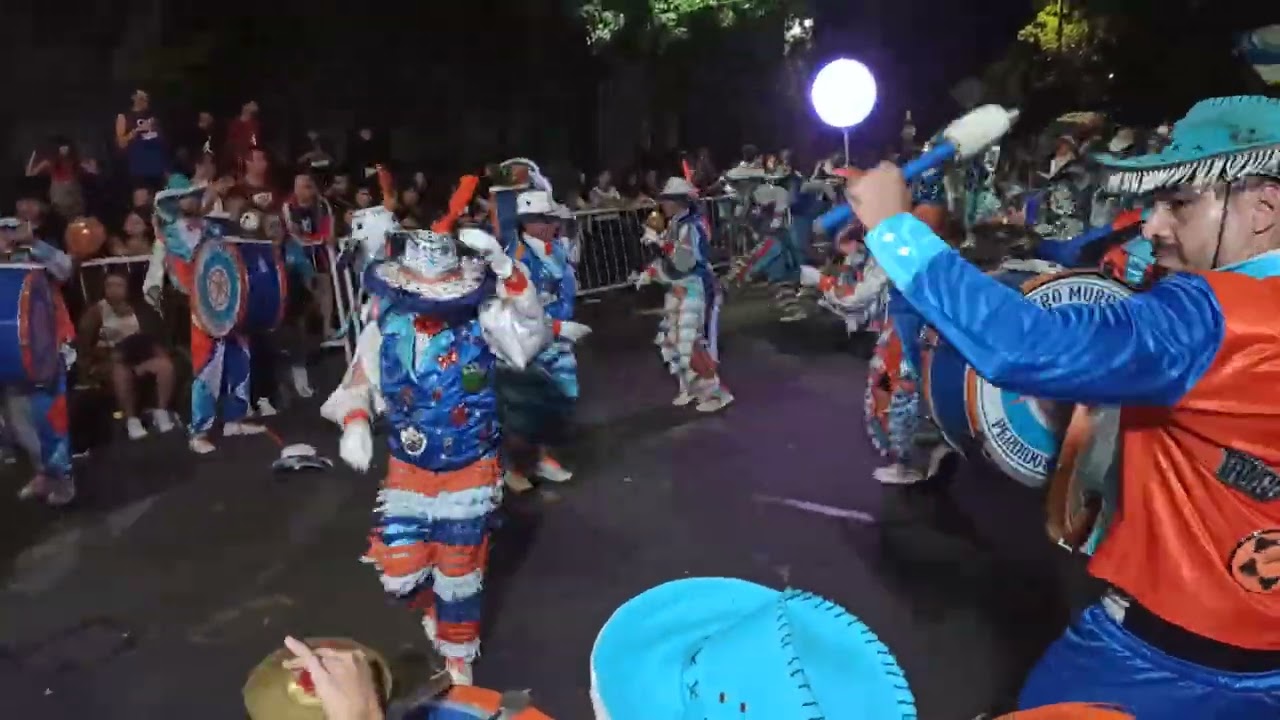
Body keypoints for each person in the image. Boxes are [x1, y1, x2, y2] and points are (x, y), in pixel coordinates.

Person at [847, 95, 1280, 718]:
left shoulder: (1209, 318)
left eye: (1179, 204)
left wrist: (894, 229)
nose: (1154, 226)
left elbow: (1023, 343)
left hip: (1155, 663)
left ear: (1262, 208)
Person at [321, 220, 588, 685]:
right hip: (408, 469)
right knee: (399, 573)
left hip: (470, 467)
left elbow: (529, 330)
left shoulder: (482, 321)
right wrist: (356, 422)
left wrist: (505, 268)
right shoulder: (384, 327)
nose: (430, 302)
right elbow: (356, 385)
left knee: (459, 570)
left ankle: (458, 655)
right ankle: (434, 611)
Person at [148, 175, 263, 454]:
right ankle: (198, 431)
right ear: (176, 202)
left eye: (196, 195)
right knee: (207, 368)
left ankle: (235, 419)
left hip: (226, 300)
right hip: (200, 305)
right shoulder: (173, 232)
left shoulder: (211, 227)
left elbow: (227, 255)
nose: (194, 200)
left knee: (240, 356)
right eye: (187, 197)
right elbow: (194, 255)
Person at [497, 189, 579, 491]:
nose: (549, 225)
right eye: (542, 219)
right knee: (527, 405)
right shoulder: (516, 257)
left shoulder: (556, 249)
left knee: (559, 398)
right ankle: (518, 468)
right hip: (531, 339)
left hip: (559, 336)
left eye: (550, 219)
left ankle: (541, 458)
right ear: (526, 223)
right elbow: (516, 304)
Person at [632, 177, 733, 413]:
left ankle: (716, 393)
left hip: (695, 286)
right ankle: (691, 387)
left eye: (667, 199)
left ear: (679, 202)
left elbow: (685, 261)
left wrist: (658, 243)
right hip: (678, 286)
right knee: (671, 339)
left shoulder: (692, 225)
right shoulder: (677, 223)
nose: (663, 204)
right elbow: (671, 260)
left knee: (693, 342)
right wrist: (651, 269)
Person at [0, 217, 75, 505]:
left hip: (47, 347)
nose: (8, 236)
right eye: (3, 231)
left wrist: (32, 242)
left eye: (13, 230)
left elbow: (66, 268)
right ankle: (43, 473)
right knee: (19, 421)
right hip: (10, 353)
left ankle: (64, 480)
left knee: (50, 418)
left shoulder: (37, 256)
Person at [77, 272, 176, 439]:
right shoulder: (96, 312)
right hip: (112, 361)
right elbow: (84, 347)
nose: (114, 290)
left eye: (119, 285)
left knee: (165, 366)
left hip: (139, 356)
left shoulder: (140, 310)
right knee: (120, 371)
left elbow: (151, 339)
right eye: (110, 286)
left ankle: (161, 412)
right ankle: (132, 420)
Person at [115, 89, 168, 189]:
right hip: (137, 166)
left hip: (156, 164)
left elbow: (163, 140)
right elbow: (121, 143)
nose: (145, 99)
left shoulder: (153, 116)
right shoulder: (124, 116)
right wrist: (137, 130)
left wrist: (155, 128)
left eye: (146, 97)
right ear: (134, 97)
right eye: (141, 96)